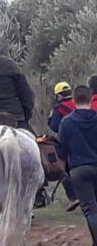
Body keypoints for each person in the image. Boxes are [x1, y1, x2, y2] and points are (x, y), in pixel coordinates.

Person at [57, 86, 97, 246]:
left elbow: (61, 150)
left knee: (90, 209)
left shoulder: (66, 122)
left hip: (79, 170)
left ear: (74, 100)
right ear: (90, 99)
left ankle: (96, 245)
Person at [48, 81, 80, 211]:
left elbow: (54, 125)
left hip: (68, 142)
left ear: (58, 95)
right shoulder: (79, 103)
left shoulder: (58, 108)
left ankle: (74, 197)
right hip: (88, 139)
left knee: (65, 170)